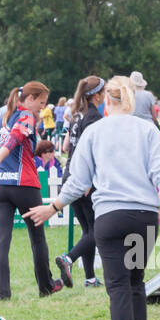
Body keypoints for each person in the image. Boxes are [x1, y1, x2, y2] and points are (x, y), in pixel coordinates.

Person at [25, 76, 160, 320]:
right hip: (144, 217)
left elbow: (79, 181)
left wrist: (53, 207)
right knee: (135, 282)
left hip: (111, 218)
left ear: (106, 100)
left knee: (118, 289)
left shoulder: (95, 132)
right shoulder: (147, 129)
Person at [0, 81, 63, 299]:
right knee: (37, 238)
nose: (43, 109)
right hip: (24, 184)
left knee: (1, 239)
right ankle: (46, 286)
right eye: (42, 103)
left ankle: (1, 293)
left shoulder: (2, 117)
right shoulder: (26, 116)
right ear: (30, 99)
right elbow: (14, 141)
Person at [55, 75, 107, 288]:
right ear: (96, 95)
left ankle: (90, 277)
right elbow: (93, 152)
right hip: (84, 178)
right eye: (104, 92)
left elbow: (66, 147)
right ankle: (68, 259)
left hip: (70, 174)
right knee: (97, 230)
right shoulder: (94, 116)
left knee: (88, 230)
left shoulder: (76, 115)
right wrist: (89, 181)